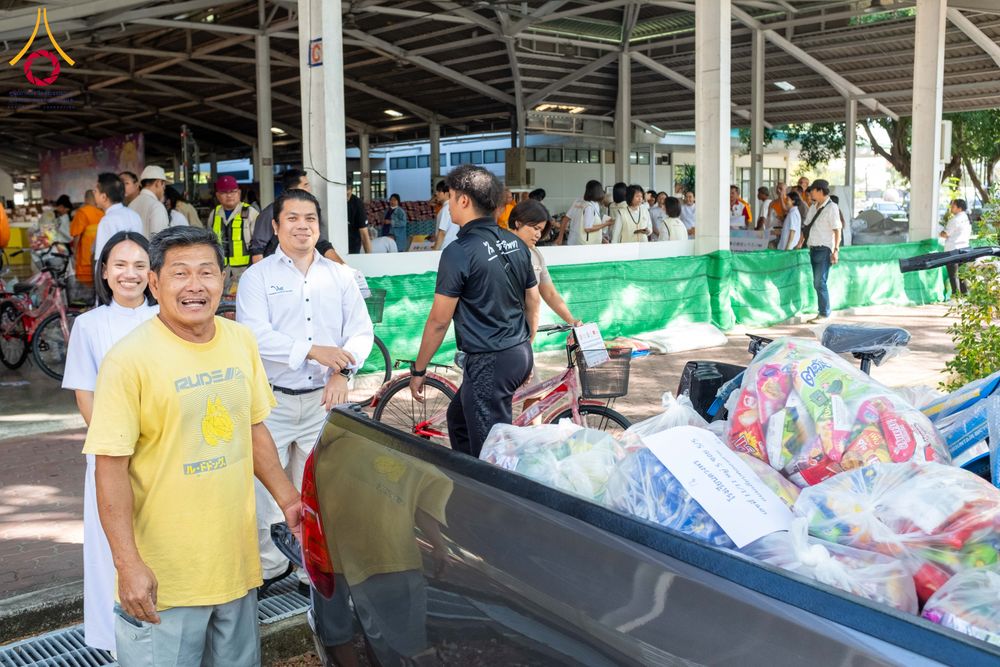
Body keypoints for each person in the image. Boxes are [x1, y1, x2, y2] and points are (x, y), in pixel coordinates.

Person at [83, 226, 301, 667]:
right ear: (155, 283)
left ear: (224, 280)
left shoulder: (240, 341)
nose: (195, 286)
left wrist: (289, 499)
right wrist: (128, 566)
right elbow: (109, 469)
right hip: (165, 578)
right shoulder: (128, 360)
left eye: (206, 273)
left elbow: (254, 430)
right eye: (180, 274)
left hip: (235, 565)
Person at [236, 189, 373, 597]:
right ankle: (269, 568)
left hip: (322, 401)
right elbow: (254, 336)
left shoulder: (341, 276)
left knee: (316, 485)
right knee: (264, 492)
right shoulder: (257, 278)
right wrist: (314, 351)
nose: (302, 225)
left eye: (310, 218)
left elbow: (361, 331)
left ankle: (305, 568)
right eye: (292, 218)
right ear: (276, 226)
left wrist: (342, 370)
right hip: (271, 402)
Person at [62, 232, 158, 653]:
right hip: (111, 455)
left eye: (140, 265)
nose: (130, 274)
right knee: (112, 547)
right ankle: (116, 643)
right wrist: (117, 445)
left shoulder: (166, 319)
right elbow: (86, 393)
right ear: (104, 271)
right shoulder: (89, 325)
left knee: (162, 540)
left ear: (152, 272)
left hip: (165, 451)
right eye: (120, 265)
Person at [409, 165, 540, 457]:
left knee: (493, 453)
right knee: (458, 421)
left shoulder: (459, 251)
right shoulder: (515, 243)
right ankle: (469, 484)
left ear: (464, 201)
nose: (449, 204)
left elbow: (439, 322)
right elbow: (533, 299)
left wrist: (419, 369)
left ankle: (495, 499)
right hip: (516, 352)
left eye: (451, 197)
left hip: (489, 361)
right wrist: (526, 348)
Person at [509, 199, 580, 328]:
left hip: (522, 332)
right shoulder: (496, 252)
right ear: (518, 223)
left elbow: (550, 293)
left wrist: (571, 320)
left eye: (541, 230)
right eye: (535, 228)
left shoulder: (536, 255)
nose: (538, 234)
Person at [249, 170, 343, 263]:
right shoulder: (271, 212)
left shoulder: (310, 210)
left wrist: (343, 268)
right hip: (274, 270)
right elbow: (257, 249)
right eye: (305, 185)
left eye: (309, 218)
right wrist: (263, 275)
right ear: (294, 189)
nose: (309, 189)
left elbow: (321, 244)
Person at [207, 175, 259, 295]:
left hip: (245, 270)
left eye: (233, 192)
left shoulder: (250, 212)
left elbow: (259, 244)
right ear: (218, 195)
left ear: (239, 193)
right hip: (220, 271)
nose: (229, 195)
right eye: (224, 192)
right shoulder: (214, 214)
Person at [799, 179, 842, 322]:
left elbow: (837, 230)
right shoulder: (813, 206)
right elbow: (806, 227)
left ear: (819, 191)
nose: (810, 193)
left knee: (819, 282)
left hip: (824, 249)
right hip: (813, 249)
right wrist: (800, 243)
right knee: (817, 282)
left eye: (812, 190)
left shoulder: (832, 207)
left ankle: (824, 313)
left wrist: (836, 250)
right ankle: (823, 312)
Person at [93, 173, 143, 269]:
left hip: (116, 273)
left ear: (104, 197)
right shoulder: (134, 215)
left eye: (95, 191)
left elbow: (101, 257)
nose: (93, 194)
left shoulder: (107, 221)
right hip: (135, 269)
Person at [70, 190, 104, 285]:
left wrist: (75, 251)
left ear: (85, 199)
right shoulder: (102, 213)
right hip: (99, 253)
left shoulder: (82, 212)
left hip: (86, 254)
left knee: (86, 286)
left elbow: (77, 234)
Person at [941, 198, 972, 296]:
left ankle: (956, 297)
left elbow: (945, 234)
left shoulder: (954, 220)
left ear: (959, 208)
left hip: (953, 250)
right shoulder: (967, 219)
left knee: (953, 275)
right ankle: (965, 295)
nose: (951, 208)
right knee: (962, 275)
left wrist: (939, 232)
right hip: (964, 249)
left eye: (953, 206)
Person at [128, 166, 169, 238]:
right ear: (158, 183)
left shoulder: (131, 205)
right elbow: (160, 241)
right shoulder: (156, 206)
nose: (164, 189)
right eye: (164, 184)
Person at [568, 180, 613, 245]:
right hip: (585, 243)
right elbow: (588, 228)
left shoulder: (589, 204)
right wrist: (606, 224)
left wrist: (602, 238)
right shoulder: (589, 207)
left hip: (578, 240)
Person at [432, 180, 459, 251]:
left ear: (447, 193)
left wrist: (435, 251)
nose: (436, 193)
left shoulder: (446, 209)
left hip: (445, 248)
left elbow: (442, 233)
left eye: (439, 191)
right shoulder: (453, 207)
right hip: (452, 247)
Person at [346, 183, 371, 254]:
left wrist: (369, 257)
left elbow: (364, 234)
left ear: (351, 190)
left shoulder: (357, 204)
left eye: (348, 194)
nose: (346, 197)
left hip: (352, 245)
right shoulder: (332, 202)